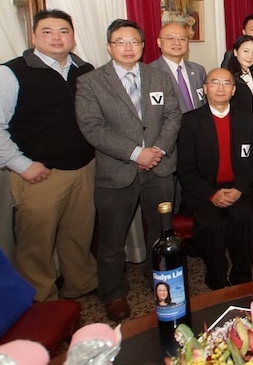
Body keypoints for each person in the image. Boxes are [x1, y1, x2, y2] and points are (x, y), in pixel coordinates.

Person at [0, 9, 97, 302]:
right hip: (39, 174)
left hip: (83, 168)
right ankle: (41, 301)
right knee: (36, 245)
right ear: (33, 36)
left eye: (63, 31)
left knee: (79, 236)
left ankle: (80, 287)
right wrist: (22, 165)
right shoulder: (10, 72)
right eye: (47, 31)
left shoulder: (84, 70)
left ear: (73, 37)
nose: (56, 37)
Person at [75, 19, 182, 321]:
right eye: (120, 42)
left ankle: (159, 281)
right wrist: (137, 153)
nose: (128, 47)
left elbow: (173, 116)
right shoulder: (91, 82)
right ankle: (114, 294)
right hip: (117, 172)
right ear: (109, 46)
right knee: (111, 241)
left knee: (160, 234)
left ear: (143, 46)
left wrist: (157, 151)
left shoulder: (157, 78)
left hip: (159, 169)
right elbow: (92, 128)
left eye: (134, 41)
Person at [176, 68, 253, 290]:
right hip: (204, 190)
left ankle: (242, 275)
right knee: (210, 224)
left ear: (233, 90)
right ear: (205, 89)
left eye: (226, 83)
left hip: (238, 188)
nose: (221, 88)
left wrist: (239, 189)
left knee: (244, 217)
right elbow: (185, 169)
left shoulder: (246, 120)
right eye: (214, 83)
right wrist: (211, 194)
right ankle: (216, 276)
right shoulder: (191, 121)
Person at [149, 22, 206, 113]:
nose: (177, 43)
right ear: (159, 42)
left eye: (182, 39)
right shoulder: (150, 72)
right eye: (170, 38)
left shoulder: (198, 70)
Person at [226, 36, 253, 129]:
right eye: (246, 51)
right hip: (240, 129)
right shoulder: (229, 79)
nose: (250, 56)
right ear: (235, 52)